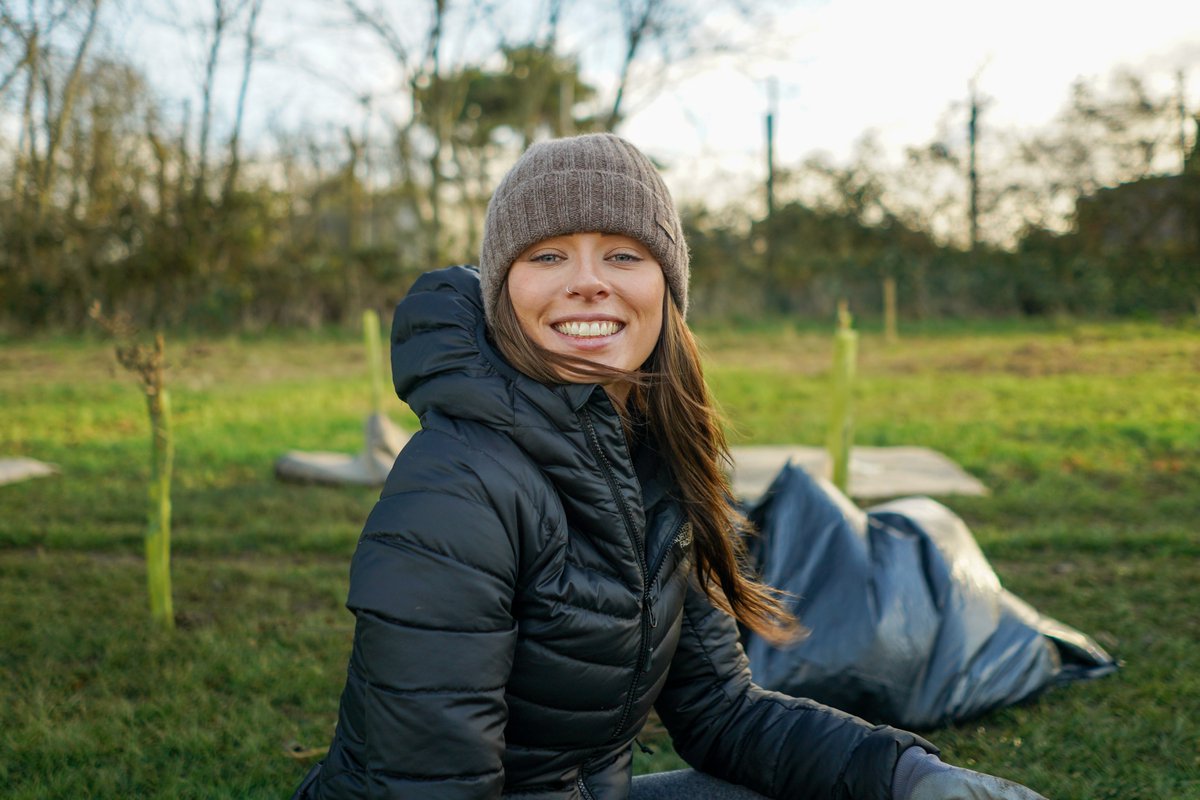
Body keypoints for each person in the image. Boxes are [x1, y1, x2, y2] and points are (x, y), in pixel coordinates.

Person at [294, 134, 1047, 800]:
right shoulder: (458, 489)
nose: (588, 281)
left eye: (623, 254)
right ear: (501, 294)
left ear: (667, 289)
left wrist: (909, 777)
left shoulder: (661, 463)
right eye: (546, 255)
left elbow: (720, 710)